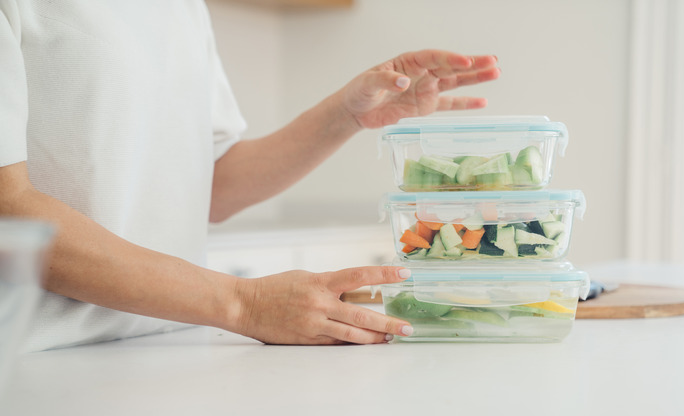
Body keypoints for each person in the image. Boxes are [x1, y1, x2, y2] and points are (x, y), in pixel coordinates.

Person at [0, 1, 500, 351]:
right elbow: (8, 207)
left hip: (167, 346)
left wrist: (346, 115)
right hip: (34, 364)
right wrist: (243, 304)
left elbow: (213, 186)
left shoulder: (182, 7)